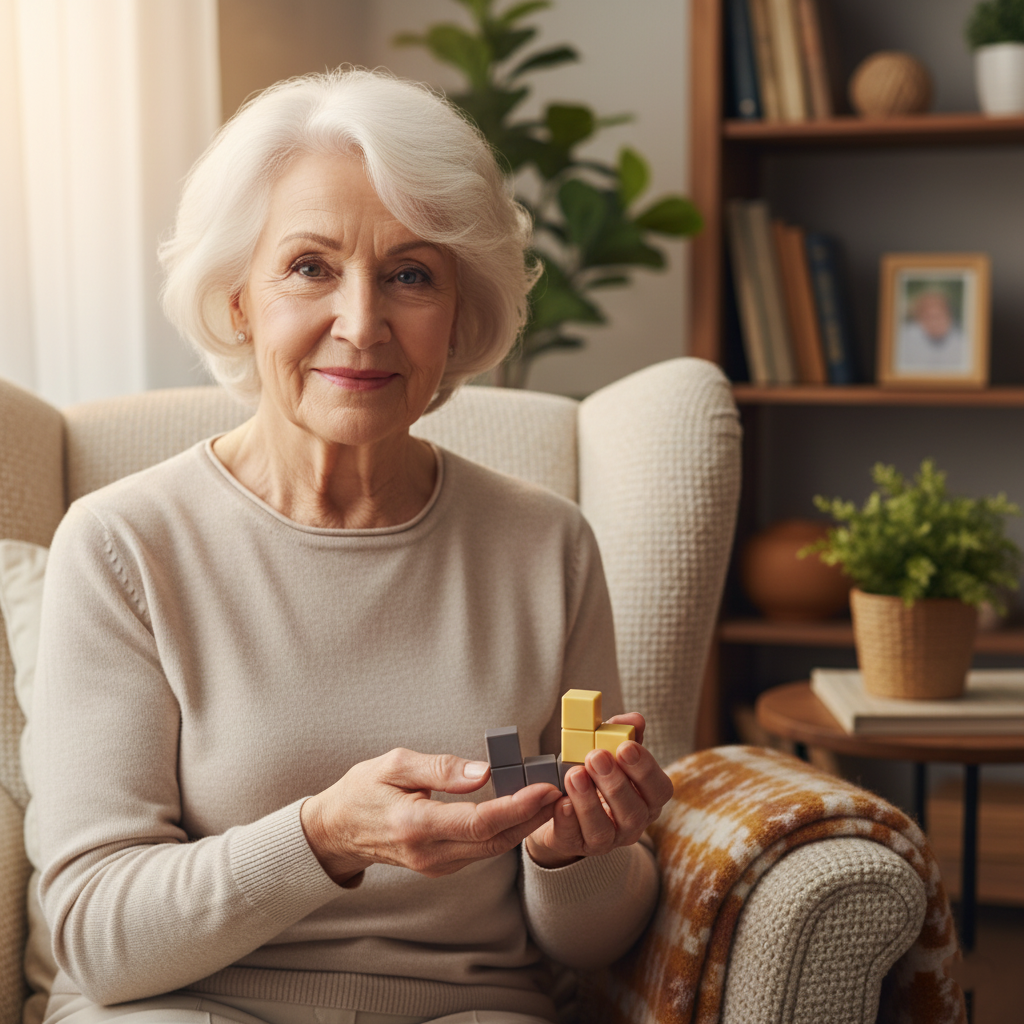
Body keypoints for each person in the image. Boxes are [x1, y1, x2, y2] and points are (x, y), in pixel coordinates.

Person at [32, 69, 673, 1024]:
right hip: (182, 1006)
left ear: (458, 314)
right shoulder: (126, 545)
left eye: (411, 274)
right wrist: (324, 837)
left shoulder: (546, 545)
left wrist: (574, 852)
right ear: (240, 299)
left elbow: (588, 947)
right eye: (310, 266)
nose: (363, 323)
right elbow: (94, 935)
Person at [895, 286, 969, 373]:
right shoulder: (902, 340)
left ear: (949, 316)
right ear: (919, 319)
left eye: (939, 316)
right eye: (928, 317)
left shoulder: (964, 342)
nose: (934, 322)